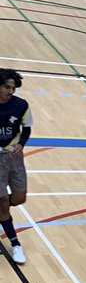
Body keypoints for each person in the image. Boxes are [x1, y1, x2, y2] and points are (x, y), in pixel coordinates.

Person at [0, 68, 31, 265]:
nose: (10, 91)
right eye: (6, 87)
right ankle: (15, 243)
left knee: (19, 198)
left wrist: (21, 143)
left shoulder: (21, 105)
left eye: (13, 88)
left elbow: (26, 128)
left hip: (14, 157)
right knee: (3, 203)